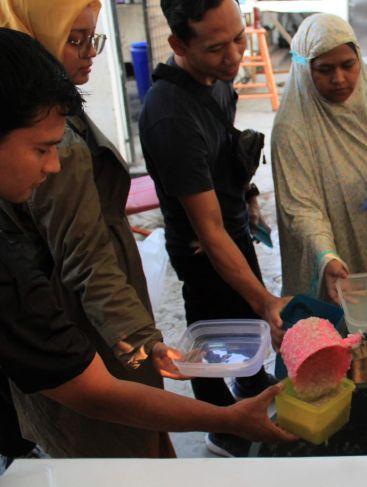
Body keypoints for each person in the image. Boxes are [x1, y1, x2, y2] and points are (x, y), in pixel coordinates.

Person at [0, 27, 295, 467]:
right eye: (42, 149)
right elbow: (94, 389)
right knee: (114, 449)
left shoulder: (215, 93)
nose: (54, 163)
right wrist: (228, 418)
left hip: (106, 331)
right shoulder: (14, 278)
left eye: (91, 38)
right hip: (90, 339)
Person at [0, 0, 184, 458]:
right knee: (116, 440)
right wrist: (141, 340)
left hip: (98, 310)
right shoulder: (50, 143)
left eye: (93, 38)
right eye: (74, 39)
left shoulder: (53, 118)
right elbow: (86, 261)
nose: (89, 53)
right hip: (89, 323)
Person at [139, 0, 290, 456]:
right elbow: (208, 233)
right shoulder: (170, 117)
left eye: (239, 38)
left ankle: (251, 386)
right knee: (212, 331)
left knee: (246, 319)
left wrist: (246, 195)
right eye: (216, 48)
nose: (234, 57)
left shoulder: (217, 81)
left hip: (232, 229)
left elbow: (225, 144)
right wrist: (266, 301)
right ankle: (221, 424)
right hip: (203, 249)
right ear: (178, 44)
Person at [271, 14, 367, 384]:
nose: (340, 79)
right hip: (331, 252)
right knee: (335, 341)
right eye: (325, 69)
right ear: (306, 69)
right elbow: (299, 207)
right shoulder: (293, 129)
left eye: (348, 65)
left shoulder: (366, 101)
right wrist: (326, 256)